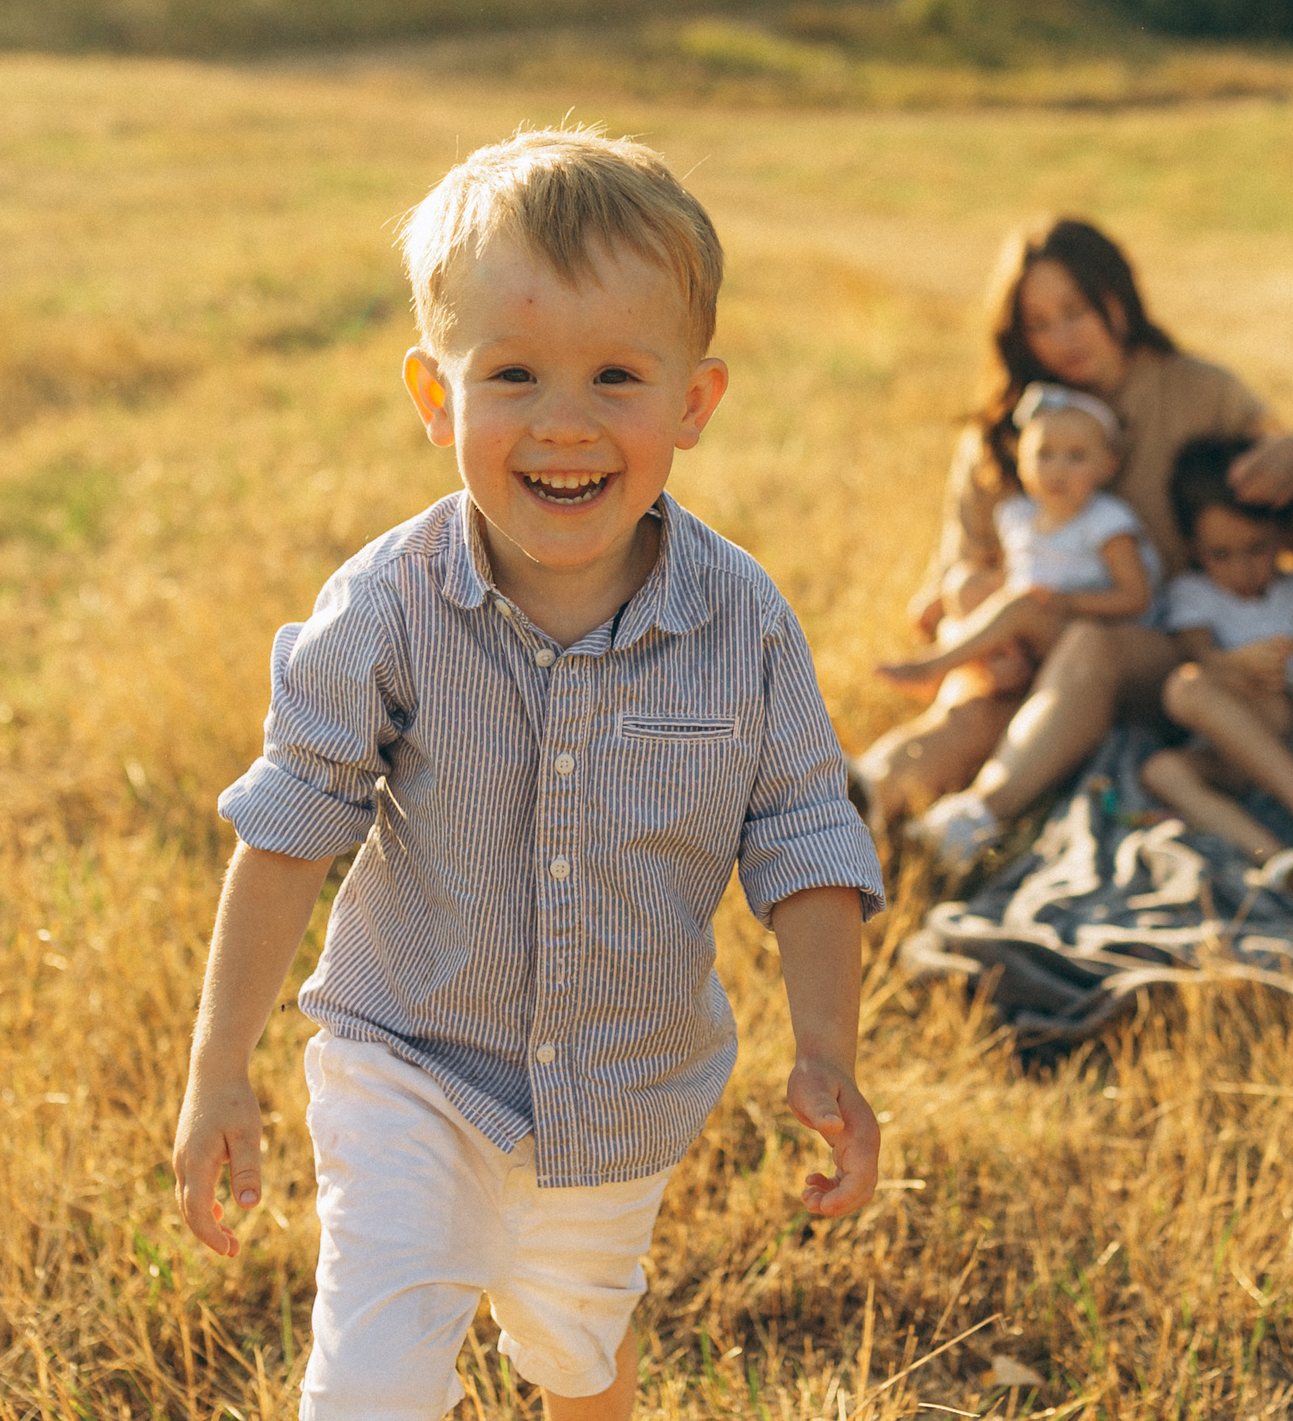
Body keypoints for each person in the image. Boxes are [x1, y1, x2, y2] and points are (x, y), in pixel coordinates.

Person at [171, 129, 886, 1421]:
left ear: (695, 402)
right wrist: (220, 1063)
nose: (564, 421)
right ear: (436, 397)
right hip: (409, 1064)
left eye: (618, 374)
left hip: (618, 1091)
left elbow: (803, 835)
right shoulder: (387, 604)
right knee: (372, 1380)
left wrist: (827, 1042)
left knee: (576, 1351)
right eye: (513, 374)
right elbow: (290, 824)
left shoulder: (744, 625)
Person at [849, 216, 1293, 871]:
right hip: (1028, 646)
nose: (1060, 339)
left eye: (1074, 312)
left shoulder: (1201, 393)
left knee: (1089, 645)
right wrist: (984, 628)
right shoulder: (1006, 431)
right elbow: (956, 573)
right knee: (976, 711)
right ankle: (856, 801)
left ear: (1118, 301)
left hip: (1155, 647)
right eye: (1038, 325)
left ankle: (980, 813)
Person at [1141, 437, 1293, 888]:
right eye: (1221, 555)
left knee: (1186, 689)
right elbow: (1199, 656)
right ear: (1194, 548)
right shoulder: (1193, 594)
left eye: (1257, 549)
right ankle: (1278, 859)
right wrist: (1236, 665)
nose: (1243, 569)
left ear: (1283, 537)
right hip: (1249, 745)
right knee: (1162, 769)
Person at [876, 383, 1153, 691]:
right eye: (1044, 455)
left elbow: (1136, 597)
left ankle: (935, 666)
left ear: (1107, 465)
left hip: (1081, 631)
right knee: (967, 585)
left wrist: (1066, 601)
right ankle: (1005, 665)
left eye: (1076, 457)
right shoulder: (1018, 515)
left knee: (1023, 605)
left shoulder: (1106, 520)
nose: (1058, 469)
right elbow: (1016, 573)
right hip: (1028, 628)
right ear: (1022, 463)